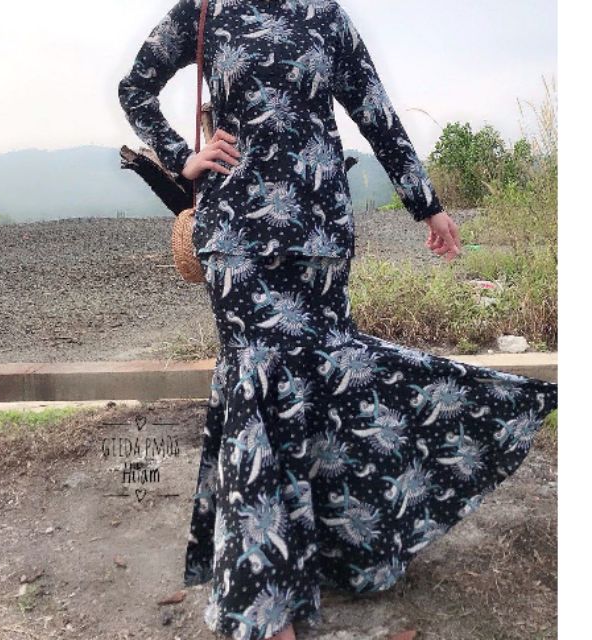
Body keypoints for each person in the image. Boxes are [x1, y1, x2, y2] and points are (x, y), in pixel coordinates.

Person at [118, 2, 558, 638]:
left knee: (327, 384)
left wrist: (428, 206)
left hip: (320, 239)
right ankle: (266, 605)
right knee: (257, 392)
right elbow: (135, 87)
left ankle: (333, 553)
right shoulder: (206, 8)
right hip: (238, 240)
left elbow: (376, 113)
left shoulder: (326, 16)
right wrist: (180, 155)